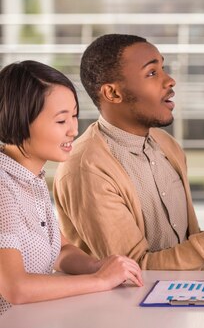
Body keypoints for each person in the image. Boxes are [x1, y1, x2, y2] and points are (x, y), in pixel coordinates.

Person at [53, 34, 204, 270]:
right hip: (127, 310)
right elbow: (135, 272)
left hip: (182, 304)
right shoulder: (86, 169)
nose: (169, 81)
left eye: (163, 69)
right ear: (113, 93)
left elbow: (197, 262)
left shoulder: (166, 146)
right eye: (151, 73)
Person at [0, 61, 143, 315]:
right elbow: (16, 288)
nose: (73, 130)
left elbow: (60, 251)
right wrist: (100, 281)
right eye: (61, 120)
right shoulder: (3, 186)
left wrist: (98, 266)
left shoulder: (32, 178)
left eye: (74, 116)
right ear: (21, 119)